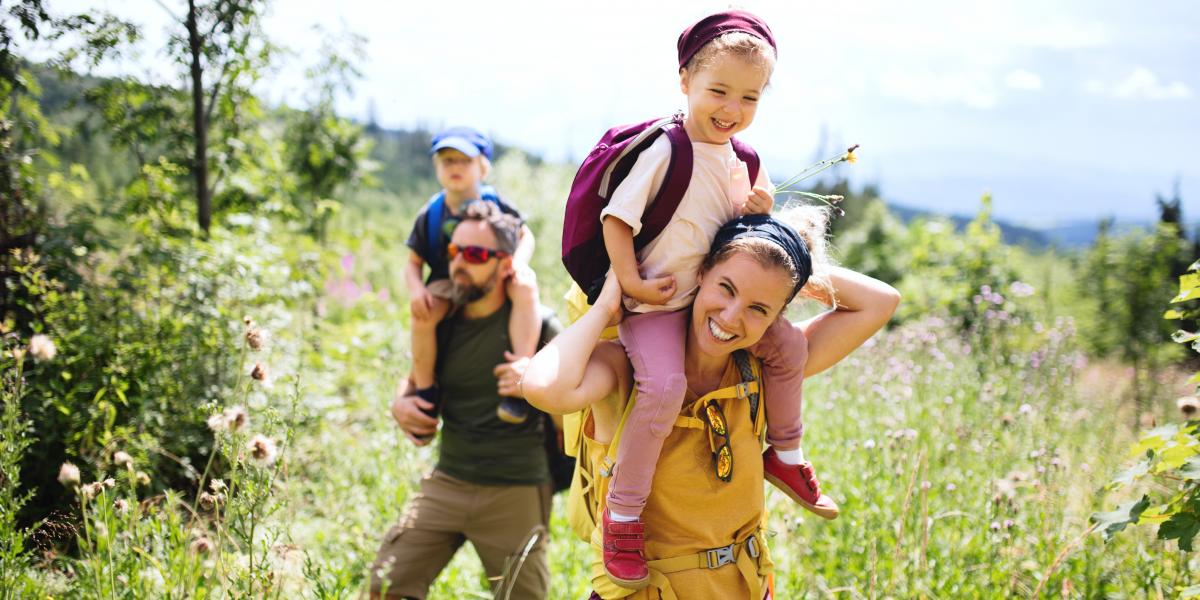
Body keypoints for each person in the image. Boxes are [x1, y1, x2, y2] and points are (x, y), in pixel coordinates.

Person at [523, 209, 900, 598]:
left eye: (759, 308)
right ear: (699, 273)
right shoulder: (627, 368)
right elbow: (543, 388)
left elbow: (881, 301)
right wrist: (606, 306)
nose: (732, 317)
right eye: (727, 287)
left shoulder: (763, 370)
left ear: (775, 317)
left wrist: (782, 262)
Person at [592, 9, 836, 586]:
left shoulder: (743, 159)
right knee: (665, 386)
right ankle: (623, 513)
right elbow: (616, 219)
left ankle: (787, 453)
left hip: (709, 300)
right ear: (685, 81)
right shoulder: (665, 149)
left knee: (789, 350)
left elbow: (755, 228)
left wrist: (758, 208)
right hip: (657, 303)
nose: (732, 109)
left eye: (749, 98)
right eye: (718, 91)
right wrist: (629, 284)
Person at [372, 202, 562, 599]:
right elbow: (413, 379)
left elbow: (572, 412)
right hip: (449, 480)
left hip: (516, 487)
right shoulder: (441, 319)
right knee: (385, 583)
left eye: (474, 255)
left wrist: (538, 385)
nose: (458, 264)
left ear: (505, 264)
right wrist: (400, 402)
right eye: (453, 252)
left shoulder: (539, 325)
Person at [405, 126, 540, 426]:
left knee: (525, 287)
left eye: (464, 161)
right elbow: (413, 262)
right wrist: (416, 290)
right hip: (447, 280)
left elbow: (525, 235)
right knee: (423, 316)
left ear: (482, 166)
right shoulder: (431, 213)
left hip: (494, 273)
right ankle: (426, 390)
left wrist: (518, 262)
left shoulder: (497, 204)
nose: (455, 168)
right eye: (447, 160)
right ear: (436, 167)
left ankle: (519, 376)